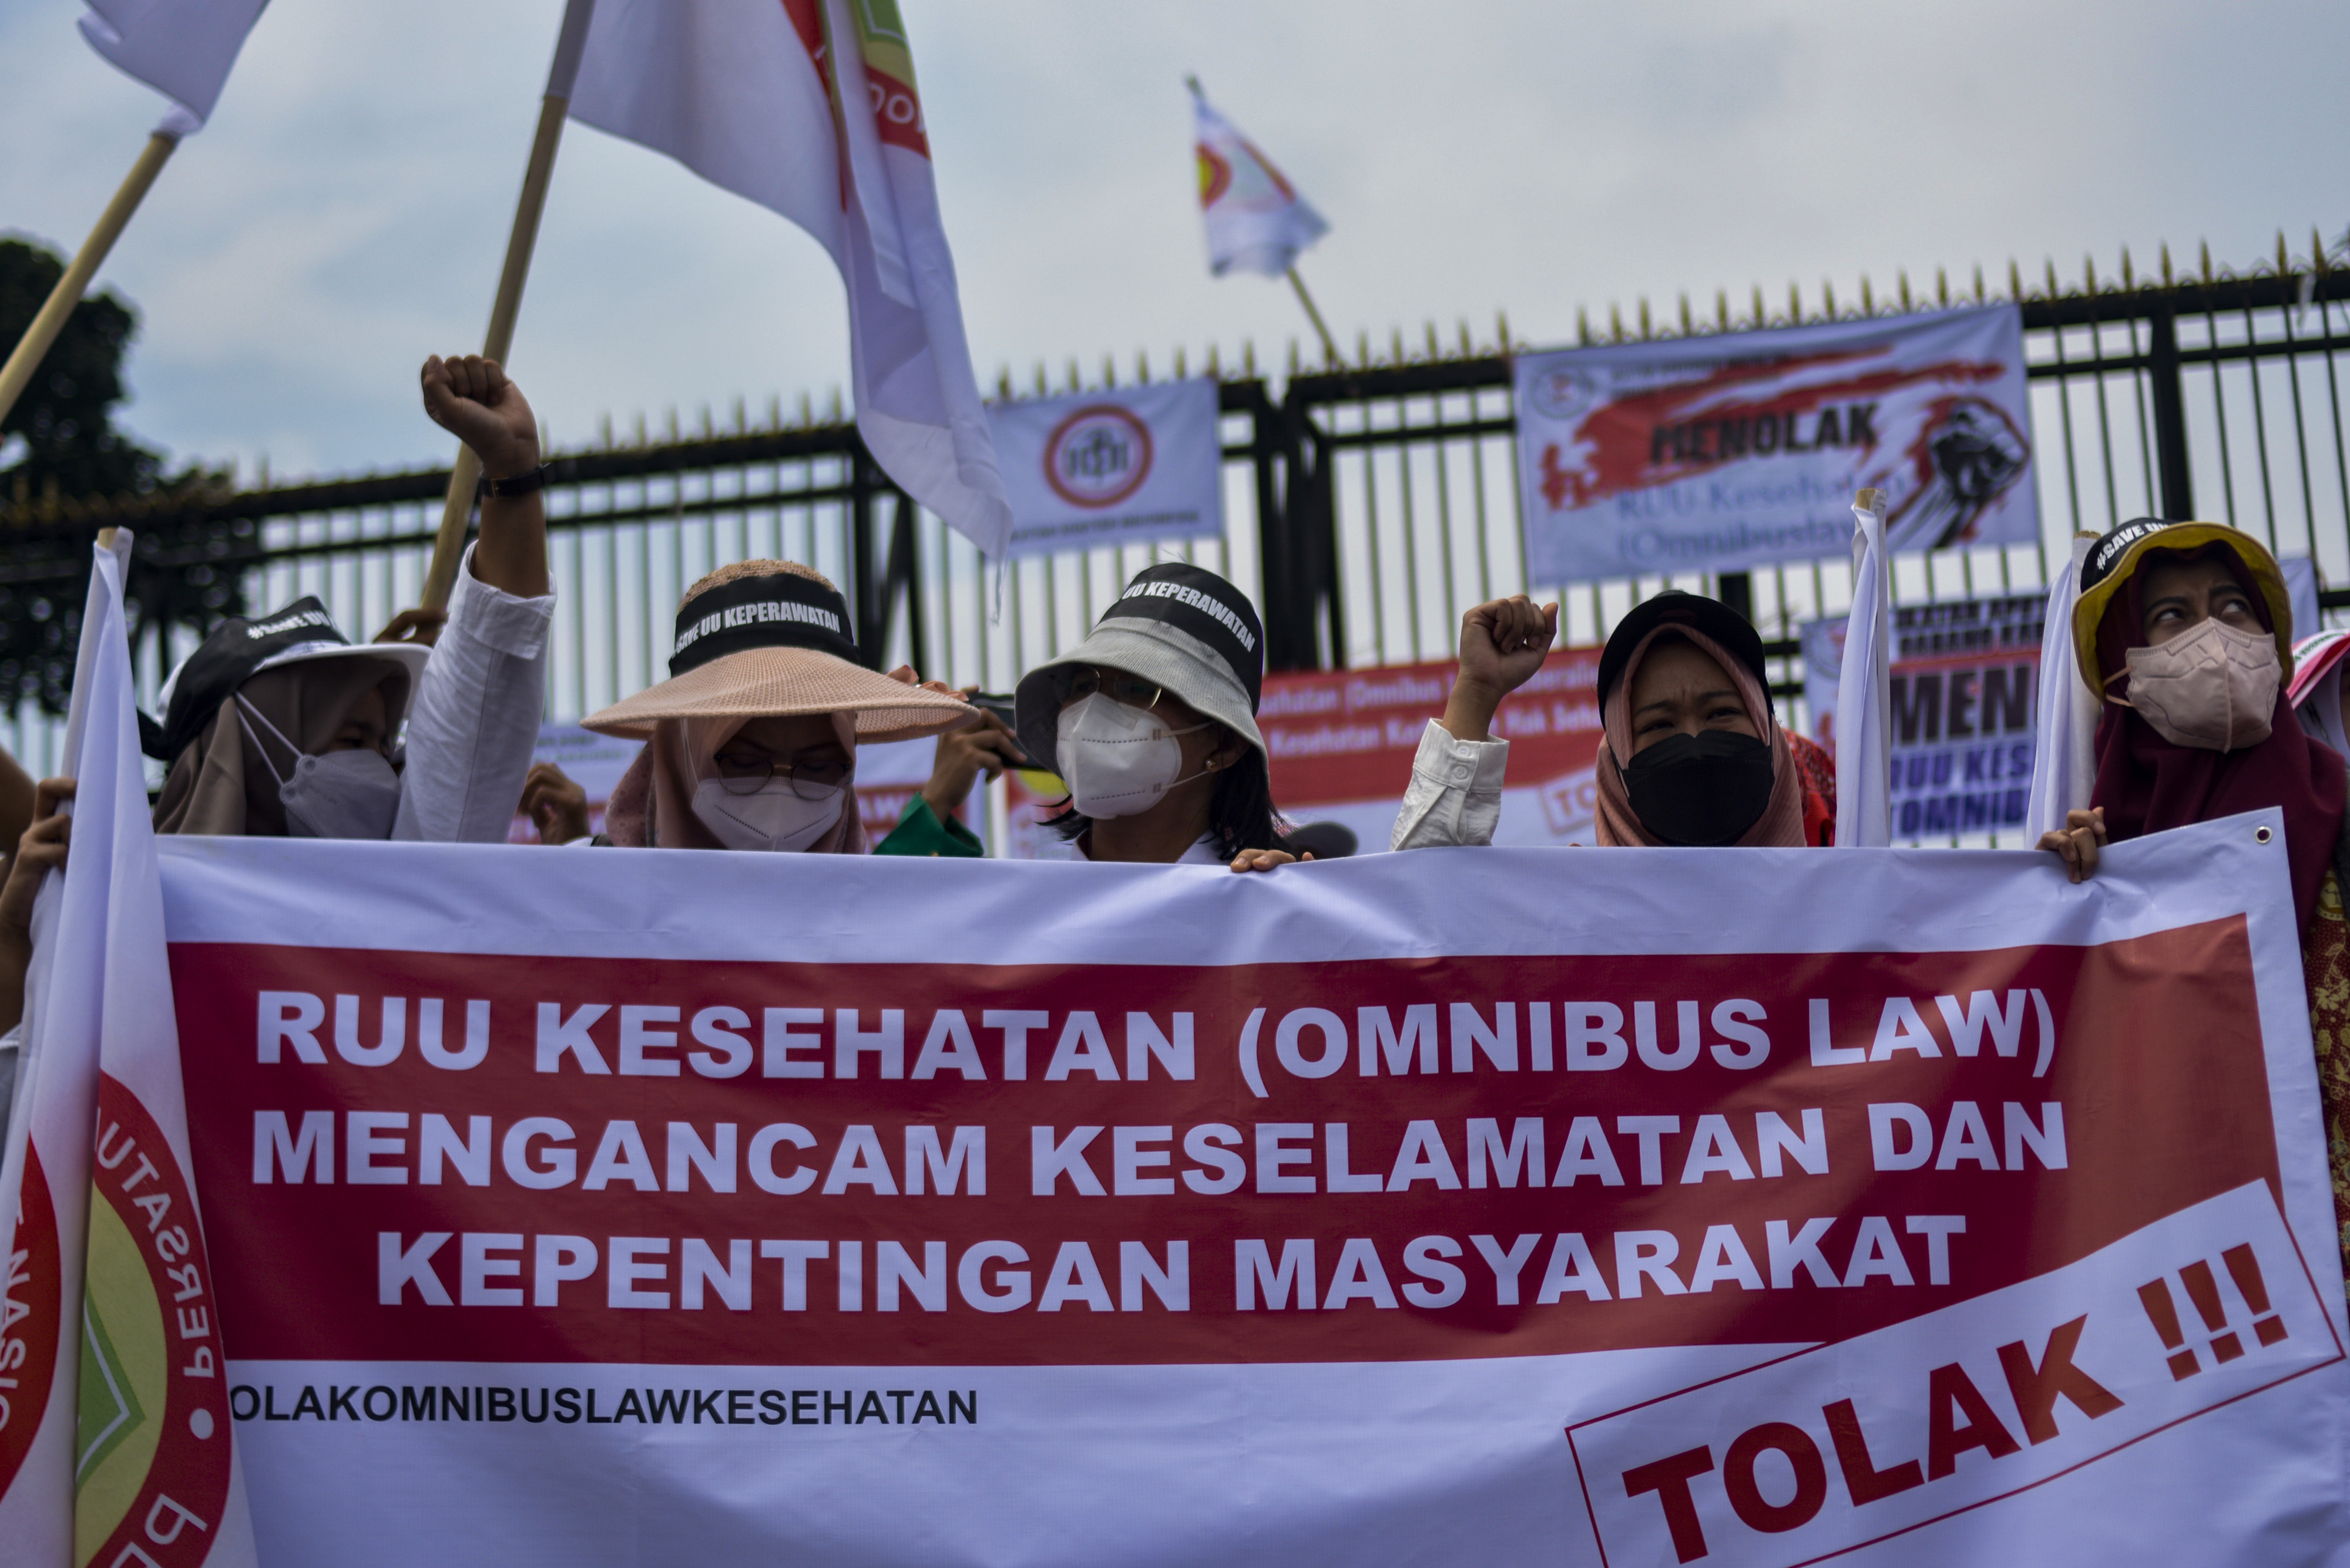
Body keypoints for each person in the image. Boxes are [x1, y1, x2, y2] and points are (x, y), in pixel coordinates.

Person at [2034, 519, 2350, 1274]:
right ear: (2122, 663)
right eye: (2171, 615)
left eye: (2233, 606)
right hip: (2198, 1285)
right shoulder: (2095, 860)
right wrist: (2057, 912)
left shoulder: (2340, 809)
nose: (2213, 635)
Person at [146, 354, 553, 841]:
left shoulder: (398, 873)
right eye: (355, 739)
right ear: (253, 756)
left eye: (383, 743)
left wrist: (512, 468)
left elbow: (479, 713)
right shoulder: (129, 888)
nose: (384, 766)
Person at [578, 559, 979, 851]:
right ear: (680, 749)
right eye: (743, 763)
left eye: (819, 768)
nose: (779, 799)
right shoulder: (582, 907)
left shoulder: (884, 921)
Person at [1394, 589, 1834, 850]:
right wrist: (1476, 691)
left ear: (1769, 735)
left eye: (1721, 713)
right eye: (1659, 725)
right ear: (1617, 763)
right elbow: (1428, 911)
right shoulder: (1570, 909)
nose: (1694, 741)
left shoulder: (1850, 903)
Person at [1011, 562, 1300, 870]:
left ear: (1224, 745)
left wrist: (1287, 895)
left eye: (1138, 688)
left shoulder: (1263, 894)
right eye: (1083, 686)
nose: (1092, 711)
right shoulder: (1019, 899)